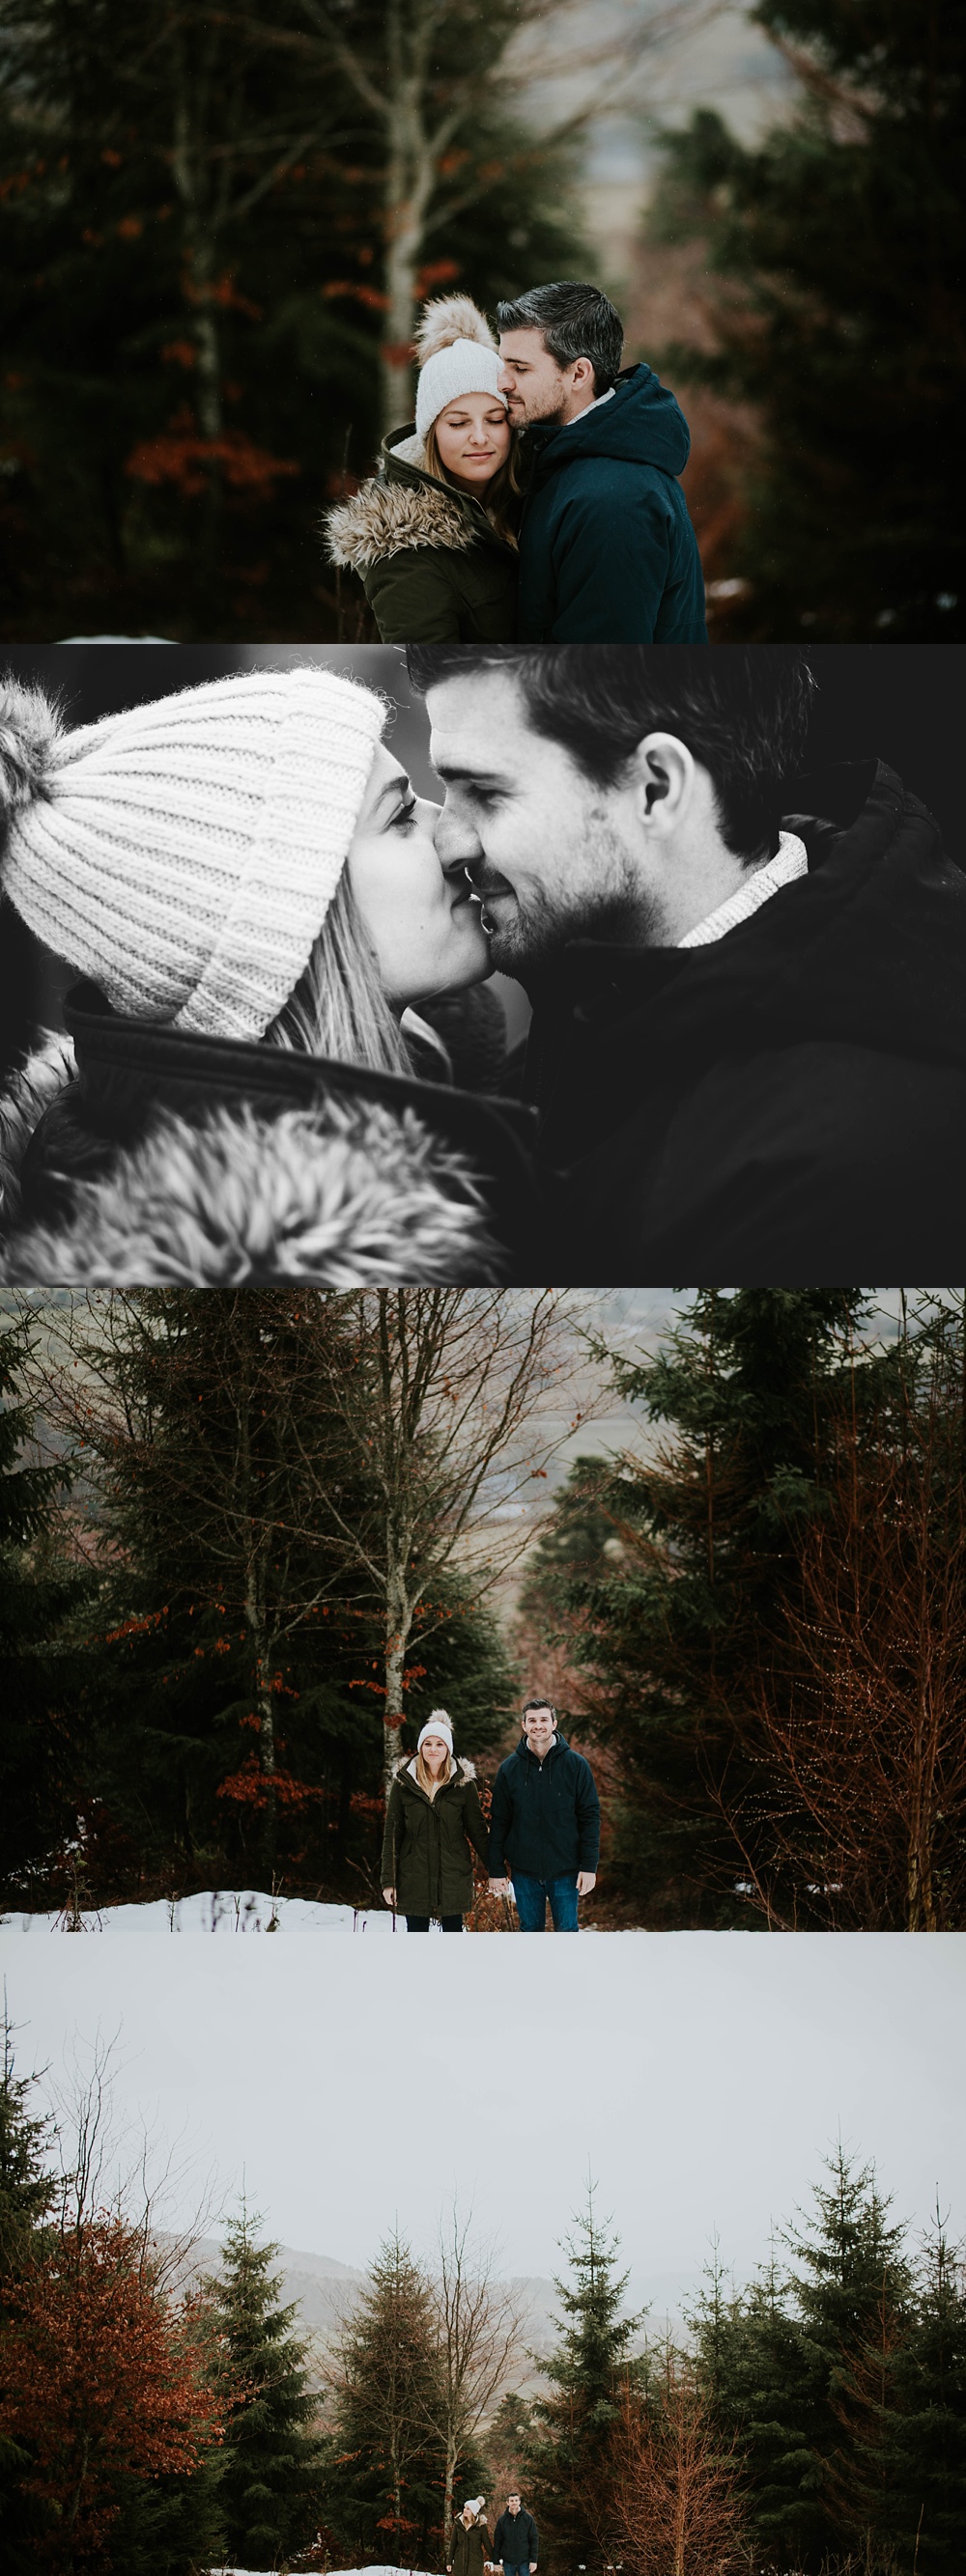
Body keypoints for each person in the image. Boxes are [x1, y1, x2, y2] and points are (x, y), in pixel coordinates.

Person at [407, 641, 966, 1280]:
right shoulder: (593, 1007)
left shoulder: (849, 1162)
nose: (447, 843)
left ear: (656, 788)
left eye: (485, 791)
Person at [0, 662, 537, 1284]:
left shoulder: (470, 1084)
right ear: (290, 925)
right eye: (399, 817)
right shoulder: (277, 1270)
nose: (453, 835)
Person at [496, 281, 706, 644]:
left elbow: (599, 678)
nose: (502, 382)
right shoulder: (565, 462)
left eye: (520, 368)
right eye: (503, 364)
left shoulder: (614, 499)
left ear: (578, 374)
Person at [326, 295, 521, 642]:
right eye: (458, 423)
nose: (480, 437)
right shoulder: (405, 554)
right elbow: (427, 681)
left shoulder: (527, 496)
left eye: (494, 419)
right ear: (431, 434)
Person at [488, 1700, 600, 1933]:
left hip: (566, 1870)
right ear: (523, 1725)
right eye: (532, 1720)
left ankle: (567, 1971)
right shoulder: (510, 1768)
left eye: (543, 1720)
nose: (538, 1725)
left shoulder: (576, 1765)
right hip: (524, 1871)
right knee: (530, 1933)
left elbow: (590, 1818)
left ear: (554, 1723)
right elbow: (499, 1821)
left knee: (567, 1931)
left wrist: (589, 1866)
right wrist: (496, 1869)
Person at [381, 1713, 491, 1932]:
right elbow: (392, 1834)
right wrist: (388, 1881)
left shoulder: (463, 1784)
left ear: (448, 1749)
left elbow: (477, 1830)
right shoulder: (404, 1783)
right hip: (414, 1876)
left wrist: (495, 1870)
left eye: (440, 1744)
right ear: (420, 1747)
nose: (433, 1749)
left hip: (453, 1875)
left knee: (453, 1943)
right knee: (417, 1943)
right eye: (428, 1743)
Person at [493, 2492, 538, 2576]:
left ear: (519, 2502)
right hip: (508, 2561)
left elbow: (534, 2540)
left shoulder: (528, 2519)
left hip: (524, 2560)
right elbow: (498, 2541)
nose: (514, 2503)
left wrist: (534, 2560)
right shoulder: (502, 2520)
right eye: (512, 2500)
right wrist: (496, 2561)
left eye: (516, 2500)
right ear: (507, 2503)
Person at [448, 2498, 494, 2576]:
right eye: (465, 2508)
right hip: (459, 2564)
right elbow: (453, 2544)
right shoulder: (458, 2524)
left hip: (475, 2565)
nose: (465, 2510)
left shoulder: (481, 2526)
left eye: (468, 2509)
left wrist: (495, 2560)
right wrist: (449, 2562)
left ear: (473, 2511)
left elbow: (487, 2544)